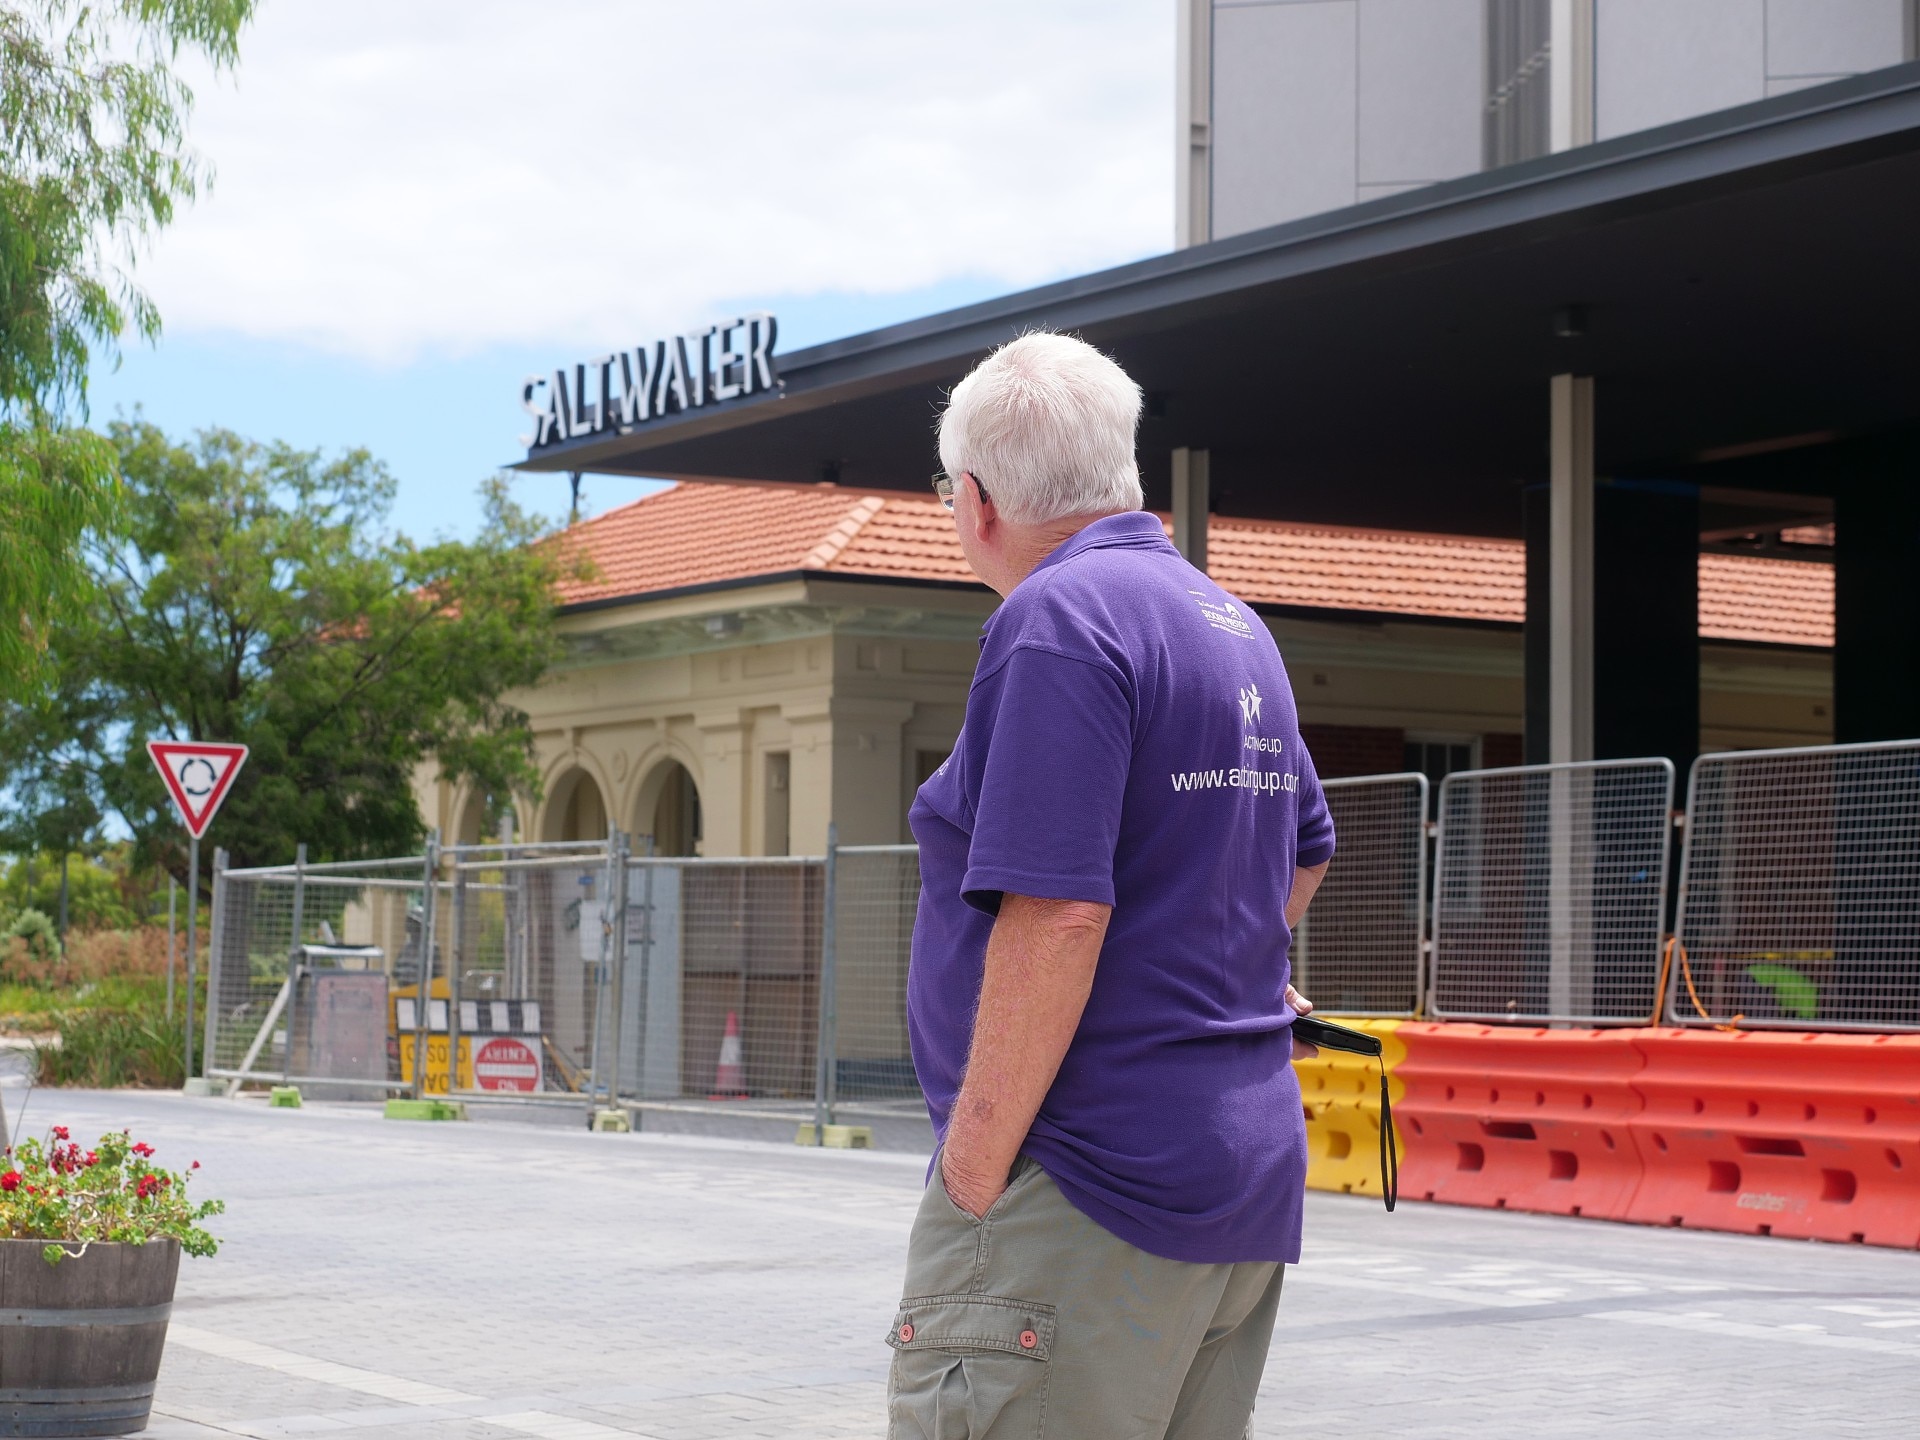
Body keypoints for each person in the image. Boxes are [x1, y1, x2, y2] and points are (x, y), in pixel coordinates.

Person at [888, 331, 1336, 1438]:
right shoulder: (1229, 625)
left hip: (1082, 1187)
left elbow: (1059, 916)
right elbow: (1309, 847)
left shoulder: (1056, 623)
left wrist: (973, 1173)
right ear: (1122, 471)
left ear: (977, 502)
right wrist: (1231, 963)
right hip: (1232, 1181)